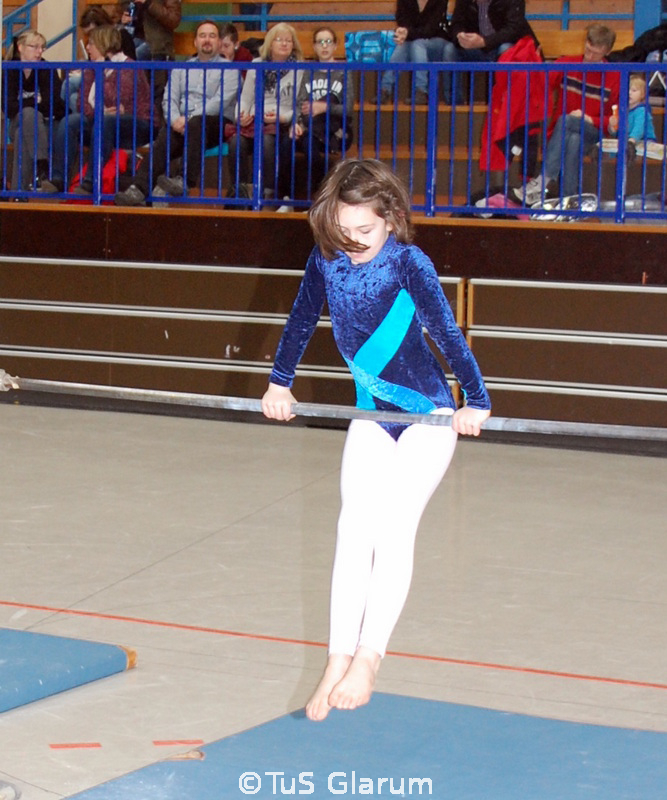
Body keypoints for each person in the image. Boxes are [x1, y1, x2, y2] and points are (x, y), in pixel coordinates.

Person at [261, 159, 491, 721]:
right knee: (352, 528)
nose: (354, 243)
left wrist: (476, 400)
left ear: (390, 217)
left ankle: (369, 658)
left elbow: (445, 332)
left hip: (428, 415)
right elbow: (300, 319)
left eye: (365, 230)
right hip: (371, 415)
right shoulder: (327, 260)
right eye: (343, 232)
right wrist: (279, 382)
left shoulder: (410, 263)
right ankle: (337, 658)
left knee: (393, 527)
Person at [114, 20, 227, 205]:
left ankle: (185, 181)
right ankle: (138, 189)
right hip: (183, 124)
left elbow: (221, 102)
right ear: (195, 42)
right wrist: (174, 120)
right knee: (165, 138)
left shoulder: (230, 68)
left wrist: (188, 119)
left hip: (214, 123)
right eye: (202, 36)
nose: (207, 40)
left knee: (197, 123)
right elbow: (169, 98)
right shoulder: (181, 68)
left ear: (219, 42)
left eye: (212, 36)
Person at [41, 26, 154, 195]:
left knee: (106, 121)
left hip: (137, 123)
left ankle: (90, 182)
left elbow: (119, 99)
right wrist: (99, 112)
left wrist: (102, 71)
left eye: (91, 44)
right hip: (102, 121)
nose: (87, 48)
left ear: (103, 45)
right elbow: (82, 102)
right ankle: (59, 178)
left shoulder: (129, 66)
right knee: (70, 121)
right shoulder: (91, 68)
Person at [516, 24, 620, 205]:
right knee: (573, 140)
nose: (590, 56)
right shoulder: (567, 63)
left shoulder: (615, 76)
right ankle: (568, 200)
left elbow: (615, 120)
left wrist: (589, 119)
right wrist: (535, 62)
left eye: (596, 54)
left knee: (568, 120)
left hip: (595, 134)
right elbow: (542, 82)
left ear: (607, 52)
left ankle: (543, 181)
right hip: (564, 134)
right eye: (588, 50)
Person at [227, 23, 305, 211]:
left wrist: (282, 118)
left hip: (281, 122)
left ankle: (267, 192)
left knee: (267, 141)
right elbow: (245, 98)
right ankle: (241, 192)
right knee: (236, 142)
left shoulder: (299, 68)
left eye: (288, 41)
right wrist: (240, 116)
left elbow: (299, 105)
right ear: (270, 43)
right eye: (279, 40)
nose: (284, 44)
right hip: (255, 118)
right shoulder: (256, 65)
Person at [291, 28, 354, 197]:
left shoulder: (343, 71)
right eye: (320, 42)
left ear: (335, 46)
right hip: (311, 127)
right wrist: (295, 123)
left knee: (309, 142)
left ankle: (317, 194)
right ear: (314, 46)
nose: (324, 46)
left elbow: (348, 109)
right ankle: (287, 197)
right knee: (287, 142)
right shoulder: (308, 71)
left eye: (328, 42)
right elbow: (300, 102)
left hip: (336, 129)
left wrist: (323, 107)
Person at [5, 29, 65, 194]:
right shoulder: (9, 68)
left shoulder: (47, 69)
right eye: (34, 47)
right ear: (21, 47)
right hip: (17, 121)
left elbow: (52, 103)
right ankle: (42, 164)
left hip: (46, 124)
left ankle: (19, 194)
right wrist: (35, 102)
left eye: (42, 48)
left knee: (22, 134)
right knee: (30, 114)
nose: (39, 52)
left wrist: (24, 104)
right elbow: (8, 107)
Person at [442, 0, 536, 103]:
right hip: (475, 48)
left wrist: (485, 42)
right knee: (450, 50)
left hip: (502, 46)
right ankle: (454, 104)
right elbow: (456, 24)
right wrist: (461, 37)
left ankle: (501, 103)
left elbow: (513, 30)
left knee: (506, 49)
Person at [378, 0, 449, 106]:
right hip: (413, 39)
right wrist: (403, 32)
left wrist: (408, 33)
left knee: (417, 44)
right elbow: (402, 21)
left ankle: (421, 90)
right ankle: (385, 90)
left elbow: (431, 29)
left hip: (437, 41)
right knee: (403, 46)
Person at [608, 74, 656, 155]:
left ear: (642, 94)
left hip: (644, 141)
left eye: (634, 90)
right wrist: (612, 126)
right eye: (627, 90)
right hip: (627, 141)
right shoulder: (622, 110)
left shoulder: (642, 110)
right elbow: (617, 132)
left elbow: (639, 129)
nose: (629, 93)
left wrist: (631, 140)